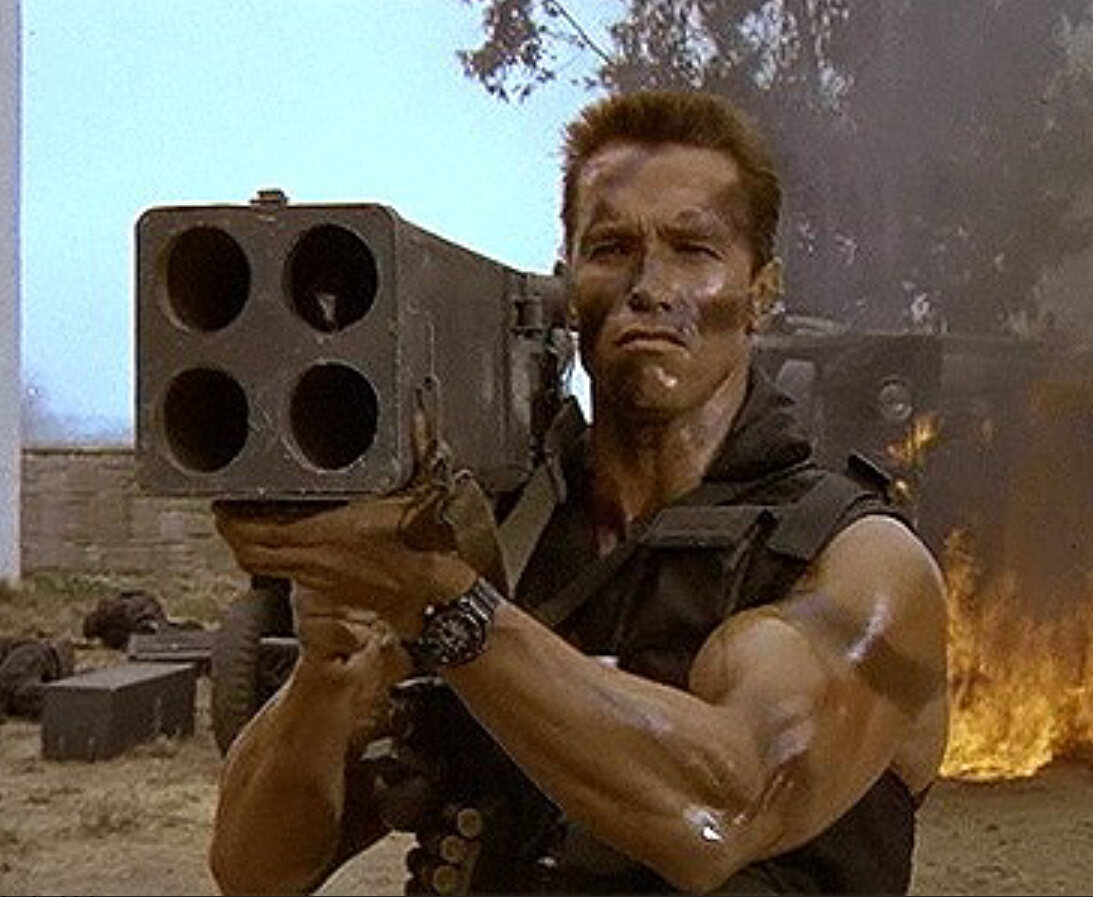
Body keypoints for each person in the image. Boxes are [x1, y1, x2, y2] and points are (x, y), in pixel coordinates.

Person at [208, 89, 949, 896]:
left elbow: (718, 811)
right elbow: (256, 870)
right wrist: (328, 662)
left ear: (759, 293)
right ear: (565, 287)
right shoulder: (502, 541)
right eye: (611, 248)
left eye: (693, 249)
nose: (649, 285)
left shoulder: (859, 560)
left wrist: (444, 605)